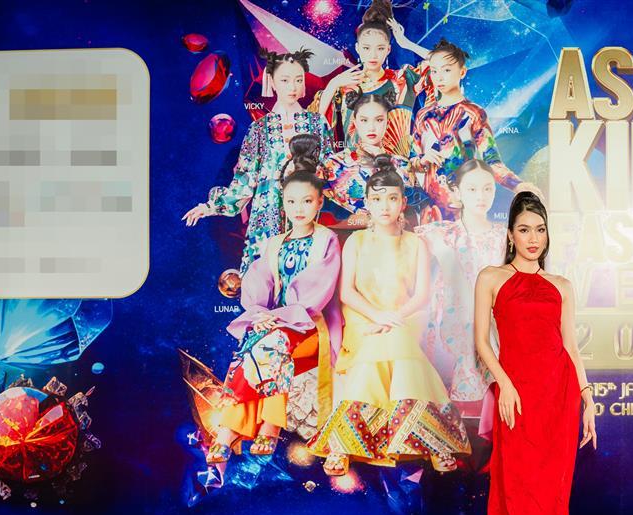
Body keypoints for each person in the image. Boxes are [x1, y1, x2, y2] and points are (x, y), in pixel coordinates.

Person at [473, 191, 597, 515]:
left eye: (540, 230)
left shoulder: (561, 285)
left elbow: (570, 346)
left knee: (550, 502)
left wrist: (587, 397)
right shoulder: (491, 278)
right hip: (518, 402)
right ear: (510, 234)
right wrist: (505, 383)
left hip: (559, 399)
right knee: (532, 500)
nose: (533, 238)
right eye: (524, 229)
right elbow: (482, 342)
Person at [307, 156, 470, 476]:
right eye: (377, 199)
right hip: (365, 320)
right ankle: (428, 441)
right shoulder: (356, 241)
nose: (385, 206)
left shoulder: (416, 243)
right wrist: (378, 317)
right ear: (367, 203)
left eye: (392, 198)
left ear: (402, 203)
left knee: (398, 342)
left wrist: (394, 317)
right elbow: (347, 293)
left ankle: (355, 442)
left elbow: (421, 296)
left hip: (405, 318)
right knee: (390, 346)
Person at [205, 135, 343, 464]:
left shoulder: (327, 240)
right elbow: (258, 282)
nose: (299, 209)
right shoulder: (275, 243)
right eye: (291, 201)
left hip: (311, 325)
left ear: (319, 203)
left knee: (271, 342)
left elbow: (316, 293)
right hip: (276, 325)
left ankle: (261, 427)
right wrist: (259, 312)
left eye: (307, 201)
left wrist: (277, 318)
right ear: (283, 202)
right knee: (254, 341)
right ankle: (236, 428)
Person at [184, 48, 335, 274]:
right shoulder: (258, 129)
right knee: (265, 282)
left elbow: (332, 170)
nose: (292, 87)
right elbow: (244, 183)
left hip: (307, 215)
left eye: (298, 80)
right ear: (271, 81)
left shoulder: (317, 123)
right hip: (267, 218)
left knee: (305, 281)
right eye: (285, 80)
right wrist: (209, 207)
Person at [410, 38, 541, 217]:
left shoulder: (473, 113)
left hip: (462, 204)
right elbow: (411, 161)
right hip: (428, 206)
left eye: (446, 70)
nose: (439, 77)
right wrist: (422, 160)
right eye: (434, 71)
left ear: (462, 72)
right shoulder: (423, 115)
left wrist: (517, 185)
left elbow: (491, 160)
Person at [414, 159, 505, 403]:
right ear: (457, 192)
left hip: (496, 320)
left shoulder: (504, 236)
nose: (481, 196)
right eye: (472, 189)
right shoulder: (441, 233)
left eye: (487, 189)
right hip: (453, 320)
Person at [312, 0, 431, 158]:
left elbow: (445, 64)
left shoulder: (402, 80)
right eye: (366, 48)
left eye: (380, 48)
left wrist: (406, 43)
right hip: (353, 169)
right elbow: (316, 123)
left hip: (397, 168)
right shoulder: (346, 85)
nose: (373, 55)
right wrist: (333, 84)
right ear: (358, 48)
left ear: (388, 49)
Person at [323, 91, 413, 226]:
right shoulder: (335, 164)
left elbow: (409, 211)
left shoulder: (401, 164)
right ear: (355, 122)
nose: (371, 127)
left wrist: (382, 157)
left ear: (387, 121)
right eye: (364, 120)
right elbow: (325, 216)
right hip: (348, 236)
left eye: (379, 120)